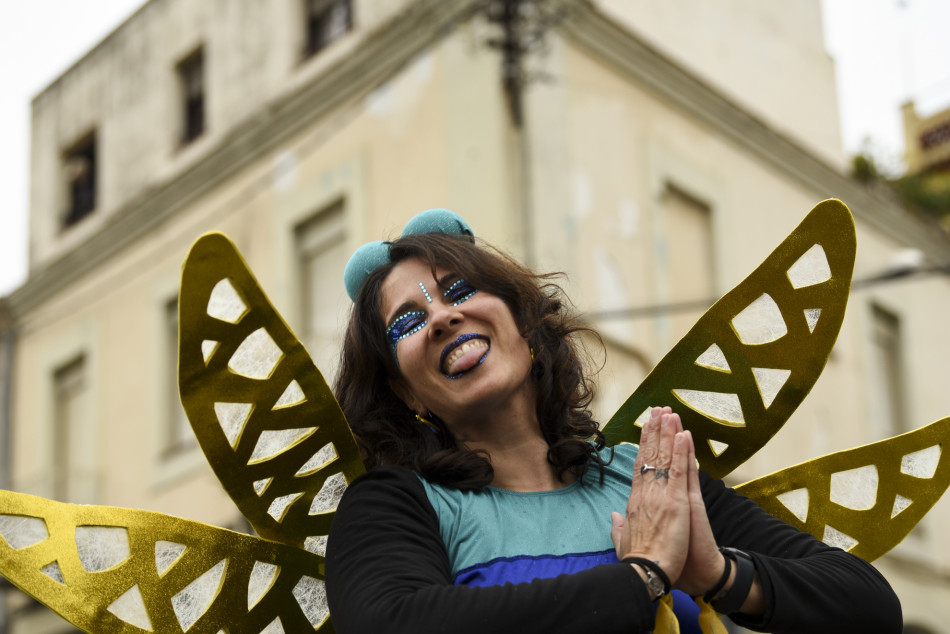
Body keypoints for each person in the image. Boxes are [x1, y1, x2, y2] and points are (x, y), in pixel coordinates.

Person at [324, 210, 901, 633]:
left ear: (525, 325)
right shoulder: (396, 505)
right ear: (403, 392)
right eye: (406, 322)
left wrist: (719, 574)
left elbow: (869, 603)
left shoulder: (651, 479)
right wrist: (643, 577)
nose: (444, 317)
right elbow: (391, 624)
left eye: (459, 290)